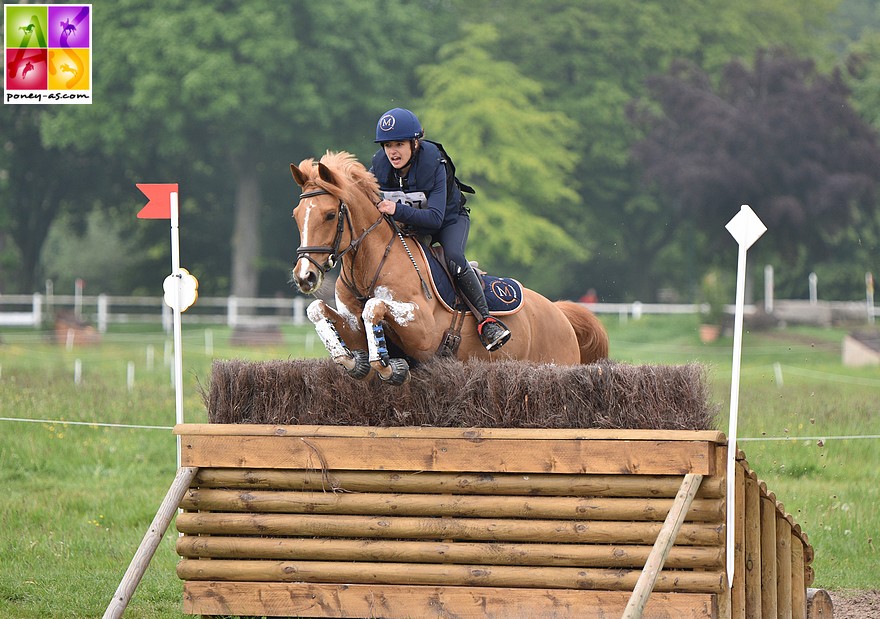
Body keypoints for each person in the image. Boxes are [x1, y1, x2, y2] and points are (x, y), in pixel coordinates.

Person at [370, 107, 511, 351]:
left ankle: (486, 321)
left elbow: (435, 219)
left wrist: (396, 210)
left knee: (454, 258)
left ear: (415, 143)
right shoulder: (379, 167)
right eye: (387, 145)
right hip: (412, 226)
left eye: (399, 144)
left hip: (448, 220)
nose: (393, 151)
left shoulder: (434, 162)